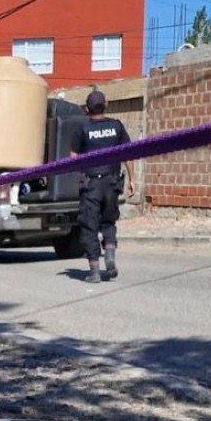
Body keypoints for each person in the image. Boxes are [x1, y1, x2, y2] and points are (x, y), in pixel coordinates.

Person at [69, 90, 135, 283]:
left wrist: (79, 174)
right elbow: (128, 153)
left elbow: (73, 158)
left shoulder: (82, 129)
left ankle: (95, 271)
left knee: (89, 226)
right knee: (109, 221)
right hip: (112, 182)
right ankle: (110, 255)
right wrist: (132, 179)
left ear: (86, 109)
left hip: (91, 185)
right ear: (106, 105)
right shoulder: (116, 126)